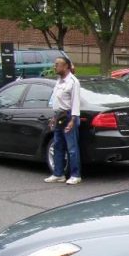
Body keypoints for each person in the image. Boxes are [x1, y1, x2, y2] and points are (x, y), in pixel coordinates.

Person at [45, 56, 82, 185]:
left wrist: (73, 119)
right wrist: (54, 117)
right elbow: (57, 101)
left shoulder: (73, 82)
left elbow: (75, 102)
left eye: (57, 64)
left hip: (68, 117)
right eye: (55, 64)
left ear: (66, 66)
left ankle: (75, 175)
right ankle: (58, 174)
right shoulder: (59, 80)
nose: (55, 66)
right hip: (59, 117)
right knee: (58, 146)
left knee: (72, 148)